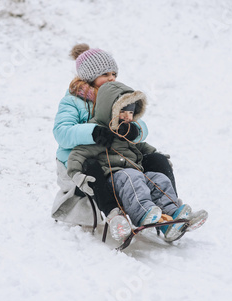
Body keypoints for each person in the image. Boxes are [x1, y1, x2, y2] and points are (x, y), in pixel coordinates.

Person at [66, 81, 208, 243]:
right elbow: (77, 155)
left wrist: (158, 157)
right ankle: (142, 214)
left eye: (132, 113)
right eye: (123, 112)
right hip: (114, 179)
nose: (128, 117)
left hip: (137, 176)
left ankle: (172, 216)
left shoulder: (127, 131)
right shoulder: (97, 133)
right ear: (110, 110)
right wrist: (77, 176)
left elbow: (143, 147)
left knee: (157, 179)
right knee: (132, 177)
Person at [52, 44, 151, 227]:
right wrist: (93, 132)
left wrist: (135, 130)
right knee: (92, 165)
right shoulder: (73, 101)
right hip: (80, 159)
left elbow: (136, 118)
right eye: (105, 75)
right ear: (90, 76)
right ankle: (114, 215)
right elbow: (62, 133)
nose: (111, 78)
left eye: (114, 74)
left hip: (113, 157)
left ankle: (169, 210)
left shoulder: (117, 97)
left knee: (153, 158)